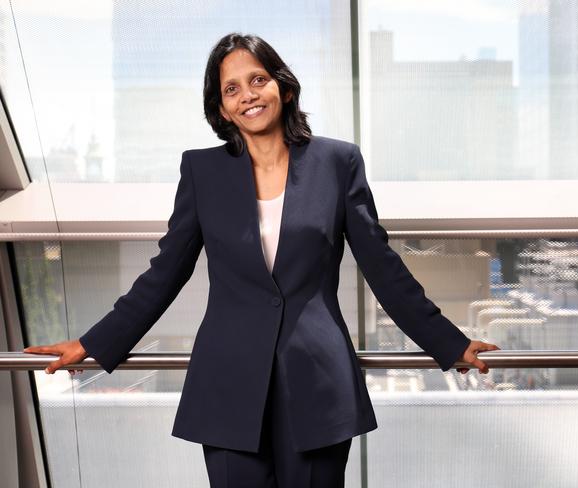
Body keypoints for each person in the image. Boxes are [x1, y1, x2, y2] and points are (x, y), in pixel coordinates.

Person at [23, 32, 500, 487]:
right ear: (222, 109)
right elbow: (166, 271)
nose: (247, 95)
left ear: (283, 87)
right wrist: (94, 342)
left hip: (316, 384)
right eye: (231, 89)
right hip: (228, 384)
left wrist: (448, 342)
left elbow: (383, 266)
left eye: (257, 80)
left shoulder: (338, 163)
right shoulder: (202, 171)